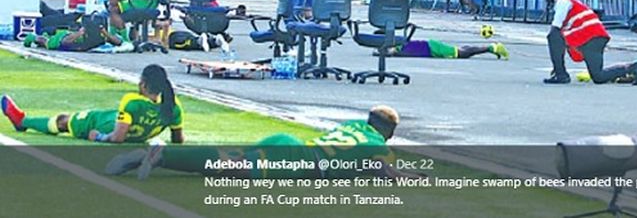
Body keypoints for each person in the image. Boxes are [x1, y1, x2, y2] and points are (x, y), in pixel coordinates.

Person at [107, 105, 416, 180]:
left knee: (228, 157)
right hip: (303, 162)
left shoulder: (352, 126)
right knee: (230, 167)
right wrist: (408, 176)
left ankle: (154, 154)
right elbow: (383, 170)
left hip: (291, 142)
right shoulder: (380, 146)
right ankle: (161, 157)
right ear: (389, 133)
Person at [2, 65, 184, 144]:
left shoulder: (132, 102)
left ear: (143, 84)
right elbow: (178, 139)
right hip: (126, 126)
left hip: (107, 125)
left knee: (65, 121)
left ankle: (22, 121)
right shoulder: (173, 105)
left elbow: (117, 138)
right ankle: (23, 121)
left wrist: (99, 137)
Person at [545, 0, 610, 84]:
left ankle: (561, 74)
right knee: (598, 76)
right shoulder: (570, 1)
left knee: (553, 36)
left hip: (591, 37)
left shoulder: (562, 1)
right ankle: (632, 69)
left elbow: (556, 27)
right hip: (596, 37)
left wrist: (557, 62)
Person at [23, 16, 122, 52]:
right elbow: (65, 41)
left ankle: (43, 36)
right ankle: (33, 37)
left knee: (48, 40)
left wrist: (105, 33)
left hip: (73, 38)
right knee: (49, 43)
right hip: (65, 37)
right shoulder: (82, 35)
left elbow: (118, 42)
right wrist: (79, 33)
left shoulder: (101, 36)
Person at [384, 39, 509, 60]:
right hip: (432, 47)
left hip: (434, 48)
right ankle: (490, 48)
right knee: (460, 51)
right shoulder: (400, 47)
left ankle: (492, 47)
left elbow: (391, 52)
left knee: (462, 54)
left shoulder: (399, 49)